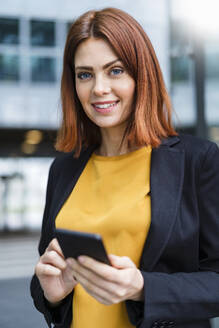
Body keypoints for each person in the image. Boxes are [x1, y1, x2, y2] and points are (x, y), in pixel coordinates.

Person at [30, 7, 219, 328]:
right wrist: (51, 293)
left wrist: (144, 287)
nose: (99, 88)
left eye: (115, 71)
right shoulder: (63, 169)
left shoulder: (197, 160)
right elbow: (46, 274)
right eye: (85, 74)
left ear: (141, 75)